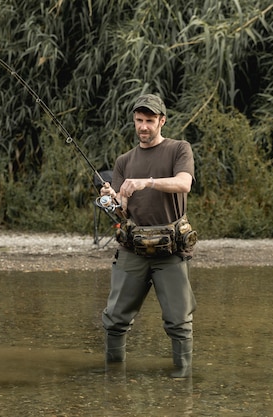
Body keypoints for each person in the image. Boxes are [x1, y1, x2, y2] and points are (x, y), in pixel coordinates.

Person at [100, 93, 197, 378]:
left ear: (161, 121)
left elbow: (184, 184)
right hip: (133, 250)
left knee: (179, 322)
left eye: (150, 121)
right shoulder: (124, 161)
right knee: (115, 321)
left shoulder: (179, 149)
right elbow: (122, 212)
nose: (143, 126)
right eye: (139, 120)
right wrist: (112, 199)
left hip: (171, 252)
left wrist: (148, 182)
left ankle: (183, 382)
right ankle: (113, 376)